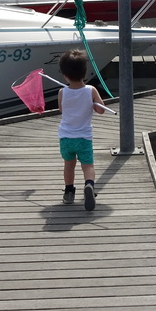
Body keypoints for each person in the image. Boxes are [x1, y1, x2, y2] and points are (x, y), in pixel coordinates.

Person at [57, 49, 106, 210]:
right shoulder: (91, 90)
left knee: (69, 165)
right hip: (84, 137)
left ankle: (69, 192)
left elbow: (62, 110)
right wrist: (91, 104)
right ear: (85, 72)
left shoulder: (62, 92)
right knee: (88, 165)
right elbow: (101, 110)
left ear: (65, 75)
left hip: (66, 137)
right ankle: (89, 185)